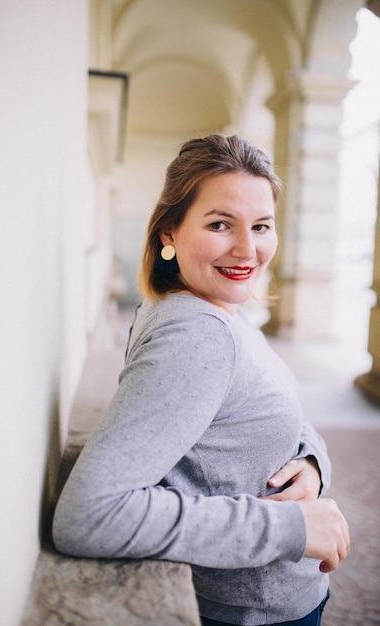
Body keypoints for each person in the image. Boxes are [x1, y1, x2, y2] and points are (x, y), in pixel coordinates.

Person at [53, 134, 350, 626]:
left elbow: (277, 410)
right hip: (249, 612)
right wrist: (286, 526)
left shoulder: (213, 305)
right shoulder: (198, 335)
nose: (247, 249)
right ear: (169, 231)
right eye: (219, 224)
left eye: (261, 226)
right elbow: (89, 515)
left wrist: (312, 463)